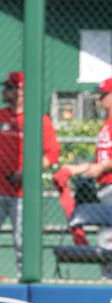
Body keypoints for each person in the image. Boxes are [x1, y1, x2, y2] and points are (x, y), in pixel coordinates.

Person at [63, 76, 112, 280]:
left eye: (103, 94)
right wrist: (76, 169)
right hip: (108, 187)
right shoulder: (109, 123)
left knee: (107, 242)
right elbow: (101, 163)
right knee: (106, 242)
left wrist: (101, 168)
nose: (100, 99)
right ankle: (110, 283)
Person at [0, 71, 61, 279]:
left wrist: (29, 171)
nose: (5, 91)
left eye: (10, 87)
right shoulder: (1, 116)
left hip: (23, 192)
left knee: (22, 241)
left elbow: (52, 154)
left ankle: (23, 281)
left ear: (22, 92)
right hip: (0, 188)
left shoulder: (38, 119)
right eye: (6, 87)